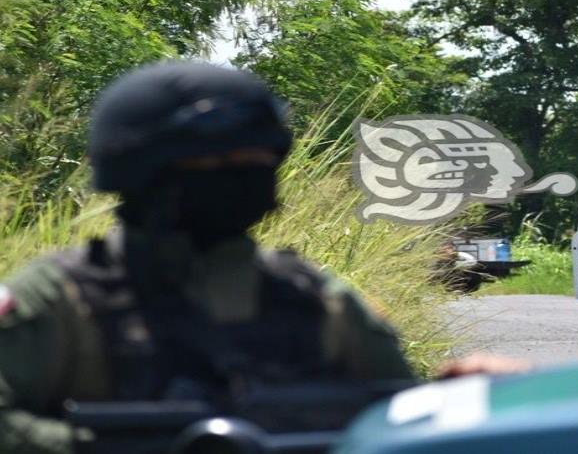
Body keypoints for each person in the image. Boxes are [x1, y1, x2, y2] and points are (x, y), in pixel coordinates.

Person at [0, 61, 519, 454]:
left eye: (256, 160)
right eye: (218, 161)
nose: (242, 176)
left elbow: (396, 423)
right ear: (142, 170)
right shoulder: (59, 299)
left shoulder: (315, 299)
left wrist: (471, 401)